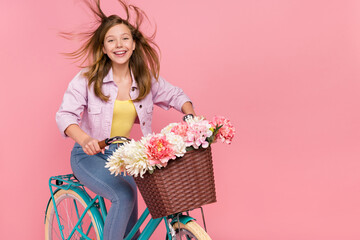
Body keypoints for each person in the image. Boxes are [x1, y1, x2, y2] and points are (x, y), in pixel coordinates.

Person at [55, 0, 196, 239]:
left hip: (124, 157)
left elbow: (176, 95)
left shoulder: (144, 79)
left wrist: (191, 114)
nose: (119, 45)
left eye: (125, 39)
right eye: (111, 40)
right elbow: (65, 115)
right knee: (124, 196)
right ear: (103, 47)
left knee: (132, 223)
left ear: (133, 44)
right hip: (89, 156)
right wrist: (85, 139)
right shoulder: (87, 79)